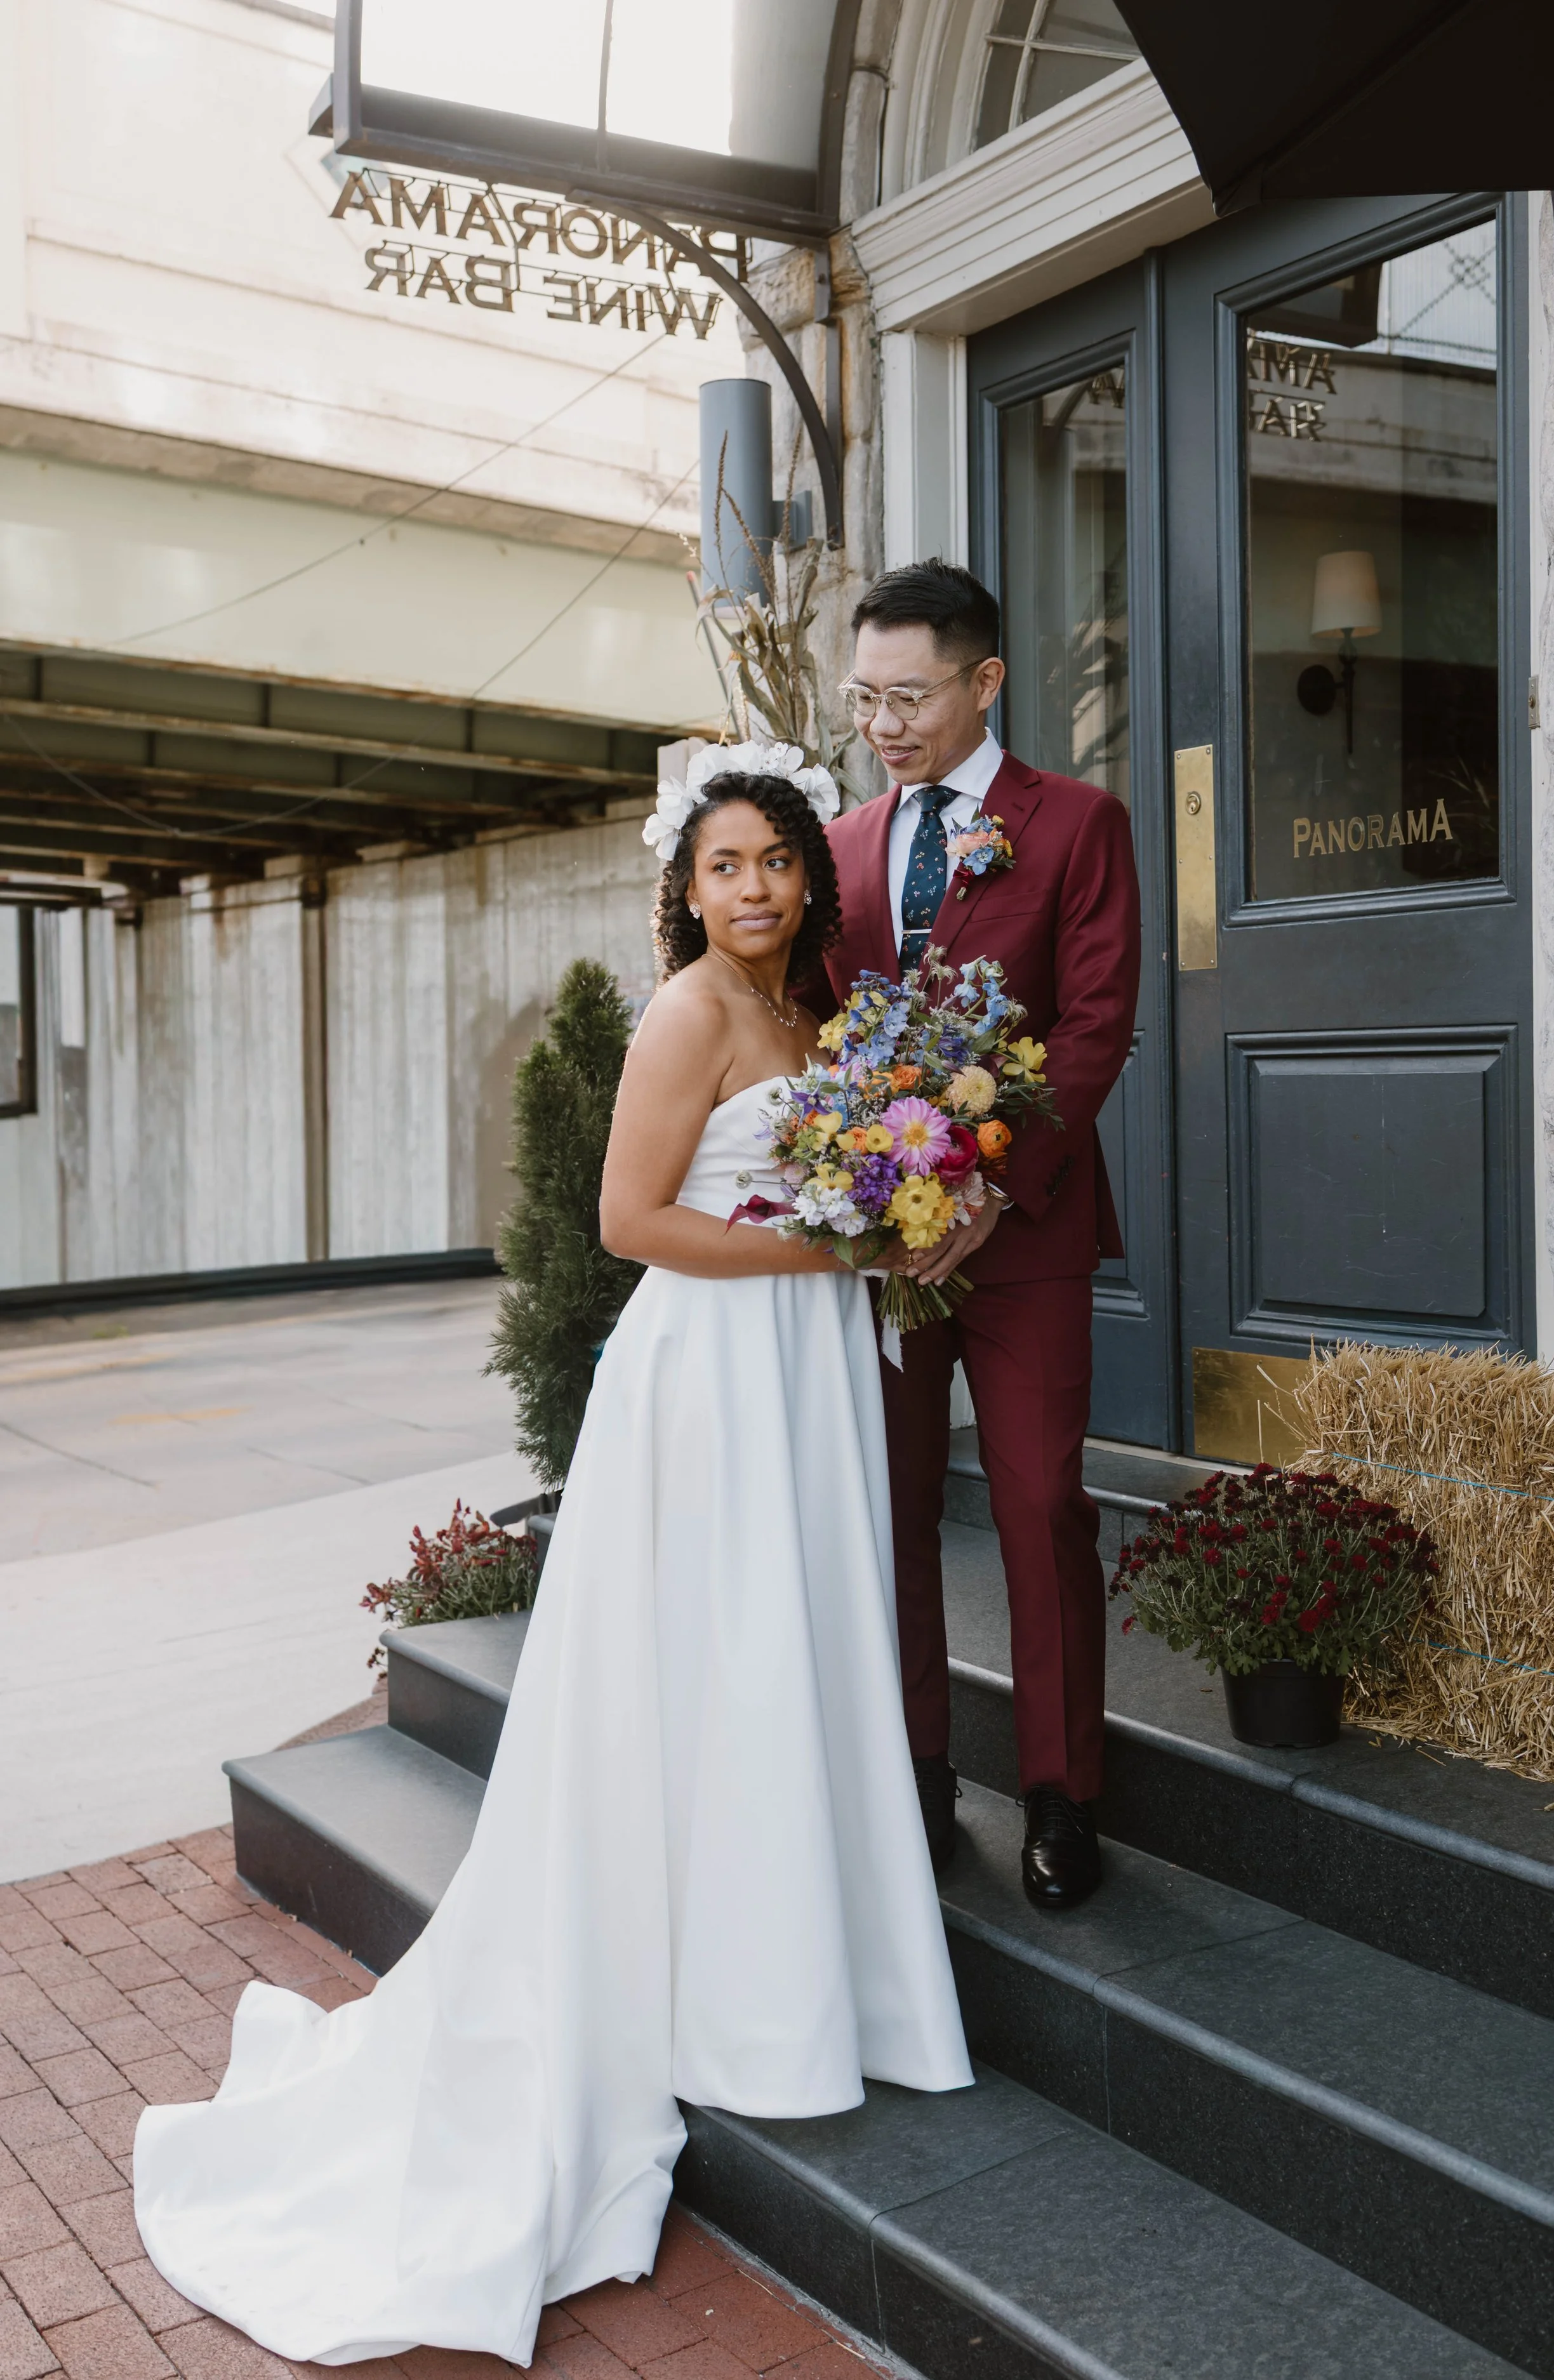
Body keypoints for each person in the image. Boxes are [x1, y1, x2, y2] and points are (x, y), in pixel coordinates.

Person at [132, 751, 971, 2369]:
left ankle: (808, 1972)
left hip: (798, 1363)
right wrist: (831, 1244)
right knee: (713, 1664)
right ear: (687, 887)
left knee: (785, 1657)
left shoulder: (817, 1020)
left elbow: (840, 1180)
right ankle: (723, 1997)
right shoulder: (683, 1017)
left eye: (774, 863)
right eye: (722, 868)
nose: (751, 890)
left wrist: (896, 1219)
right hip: (711, 1379)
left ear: (808, 877)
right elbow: (626, 1221)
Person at [820, 559, 1140, 1913]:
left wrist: (990, 1193)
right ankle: (918, 1778)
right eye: (865, 699)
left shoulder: (1074, 824)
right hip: (881, 1253)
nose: (885, 724)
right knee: (885, 1515)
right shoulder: (837, 845)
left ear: (983, 681)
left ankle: (1064, 1798)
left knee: (1036, 1506)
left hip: (1022, 1236)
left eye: (910, 695)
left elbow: (1092, 1023)